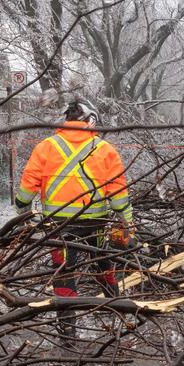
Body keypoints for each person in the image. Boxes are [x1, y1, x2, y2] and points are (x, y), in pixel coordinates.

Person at [14, 98, 134, 337]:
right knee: (104, 266)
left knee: (64, 274)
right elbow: (118, 193)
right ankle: (117, 316)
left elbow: (28, 186)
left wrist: (22, 210)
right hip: (97, 222)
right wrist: (127, 224)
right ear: (91, 120)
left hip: (59, 225)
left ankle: (67, 332)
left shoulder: (46, 147)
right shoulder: (104, 149)